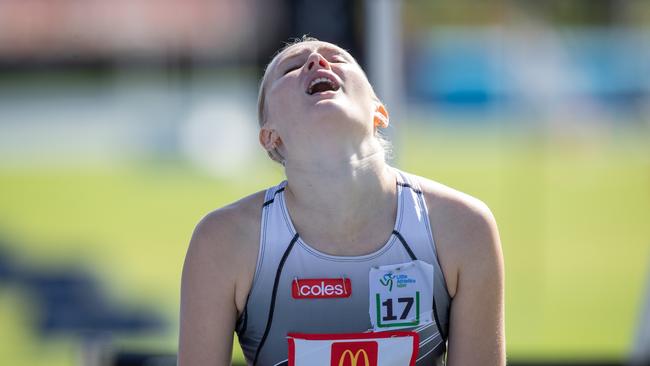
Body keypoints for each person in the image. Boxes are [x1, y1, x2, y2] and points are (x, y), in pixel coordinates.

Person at [178, 37, 505, 366]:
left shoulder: (463, 227)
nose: (318, 62)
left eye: (338, 59)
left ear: (380, 112)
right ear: (269, 136)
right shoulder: (222, 241)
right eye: (291, 68)